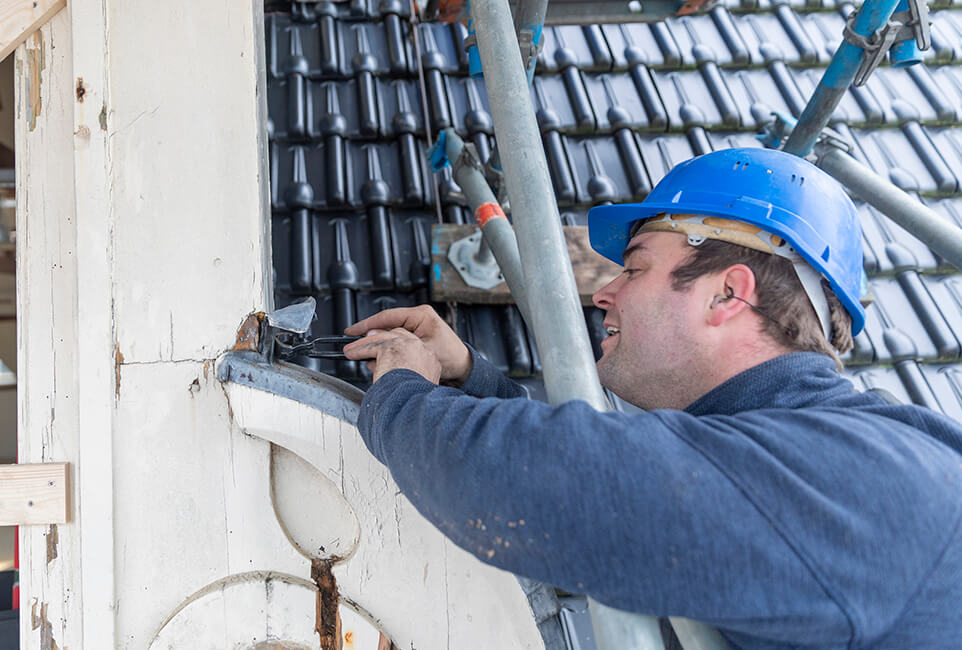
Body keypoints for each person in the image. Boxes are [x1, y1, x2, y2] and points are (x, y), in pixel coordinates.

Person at [342, 148, 962, 648]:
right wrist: (469, 379)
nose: (604, 293)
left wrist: (400, 393)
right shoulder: (827, 456)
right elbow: (642, 472)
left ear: (727, 294)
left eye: (634, 268)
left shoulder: (865, 474)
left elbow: (563, 485)